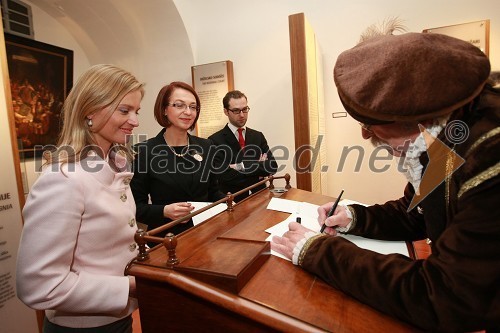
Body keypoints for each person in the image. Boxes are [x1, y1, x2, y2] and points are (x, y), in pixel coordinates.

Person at [272, 31, 500, 332]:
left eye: (369, 123)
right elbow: (417, 212)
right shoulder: (455, 130)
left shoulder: (489, 155)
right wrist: (355, 217)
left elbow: (446, 297)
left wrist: (317, 251)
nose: (367, 136)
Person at [16, 64, 144, 332]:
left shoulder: (115, 165)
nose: (135, 121)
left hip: (119, 319)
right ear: (90, 110)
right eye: (124, 110)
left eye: (136, 111)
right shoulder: (63, 178)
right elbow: (39, 286)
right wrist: (132, 285)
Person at [131, 81, 225, 238]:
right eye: (179, 105)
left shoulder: (207, 146)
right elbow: (134, 207)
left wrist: (232, 203)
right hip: (167, 239)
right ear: (164, 109)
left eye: (193, 107)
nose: (188, 112)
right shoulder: (144, 151)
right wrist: (164, 211)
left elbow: (213, 191)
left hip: (206, 233)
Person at [208, 90, 277, 201]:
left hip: (260, 196)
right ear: (226, 111)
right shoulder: (214, 141)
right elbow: (224, 176)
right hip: (234, 201)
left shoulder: (258, 136)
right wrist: (257, 168)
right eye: (236, 111)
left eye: (244, 109)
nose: (241, 115)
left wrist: (239, 166)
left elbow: (272, 166)